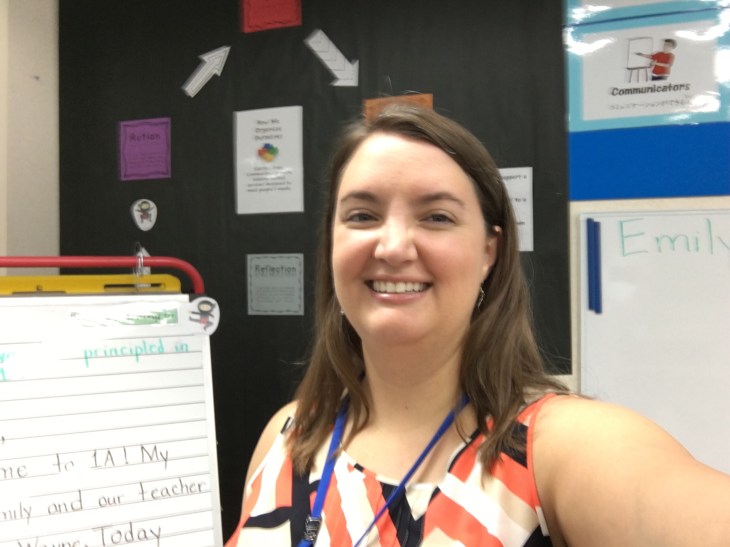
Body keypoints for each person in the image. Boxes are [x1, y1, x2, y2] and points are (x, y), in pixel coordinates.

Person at [226, 104, 730, 546]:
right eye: (362, 216)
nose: (393, 247)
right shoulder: (290, 434)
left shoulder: (558, 448)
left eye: (437, 217)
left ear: (490, 250)